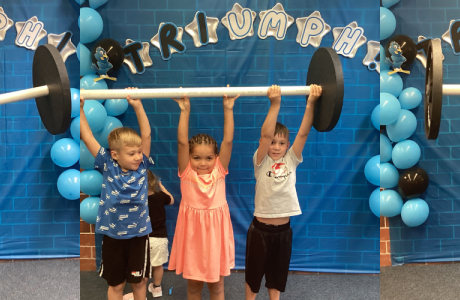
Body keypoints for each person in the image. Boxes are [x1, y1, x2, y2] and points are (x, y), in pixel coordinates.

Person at [245, 84, 322, 300]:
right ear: (263, 143)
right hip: (260, 230)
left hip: (283, 232)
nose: (276, 146)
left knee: (276, 275)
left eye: (281, 143)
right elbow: (266, 132)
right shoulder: (260, 161)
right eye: (272, 142)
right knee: (253, 275)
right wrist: (275, 104)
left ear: (287, 145)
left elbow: (304, 132)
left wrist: (311, 103)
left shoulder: (291, 159)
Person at [80, 87, 153, 300]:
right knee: (116, 285)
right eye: (132, 153)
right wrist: (81, 109)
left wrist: (137, 105)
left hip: (138, 237)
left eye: (139, 151)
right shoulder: (107, 164)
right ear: (115, 154)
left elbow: (146, 134)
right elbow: (87, 137)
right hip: (113, 237)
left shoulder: (142, 166)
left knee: (139, 283)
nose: (138, 156)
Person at [168, 88, 240, 300]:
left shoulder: (219, 170)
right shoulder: (186, 171)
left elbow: (227, 140)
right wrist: (184, 110)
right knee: (194, 286)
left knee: (217, 286)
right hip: (193, 235)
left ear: (216, 158)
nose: (203, 163)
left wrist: (228, 109)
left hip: (215, 235)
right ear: (189, 158)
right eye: (197, 158)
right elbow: (182, 142)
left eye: (208, 158)